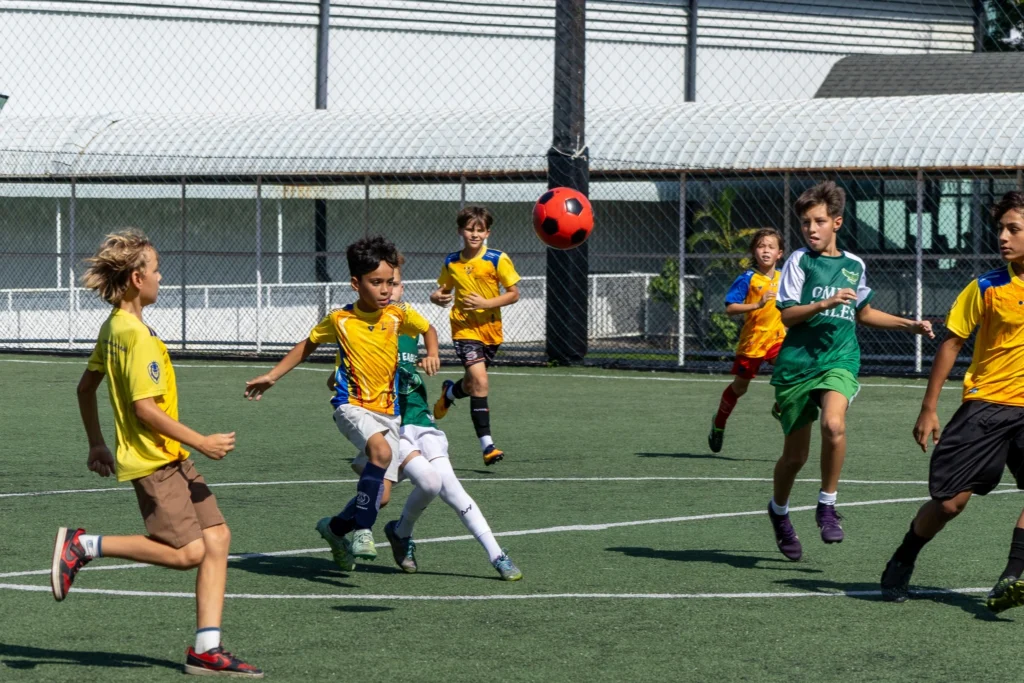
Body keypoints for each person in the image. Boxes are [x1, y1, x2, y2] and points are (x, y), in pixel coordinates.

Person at [55, 229, 262, 678]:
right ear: (136, 278)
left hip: (169, 458)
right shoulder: (137, 337)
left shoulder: (114, 326)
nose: (161, 276)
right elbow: (144, 409)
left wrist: (96, 442)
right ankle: (85, 545)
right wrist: (201, 441)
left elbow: (86, 387)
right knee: (189, 553)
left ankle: (207, 649)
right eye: (155, 268)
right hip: (155, 461)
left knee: (218, 539)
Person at [243, 236, 439, 568]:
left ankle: (334, 529)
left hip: (388, 413)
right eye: (375, 282)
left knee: (383, 496)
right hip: (351, 406)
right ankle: (363, 530)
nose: (385, 290)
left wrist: (432, 352)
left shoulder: (398, 314)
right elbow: (307, 345)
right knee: (381, 453)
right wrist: (273, 376)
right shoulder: (340, 320)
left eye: (389, 282)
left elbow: (428, 328)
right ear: (355, 283)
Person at [766, 181, 933, 561]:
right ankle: (778, 511)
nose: (811, 229)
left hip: (839, 359)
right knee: (794, 458)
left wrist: (908, 325)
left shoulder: (854, 265)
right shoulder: (798, 261)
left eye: (819, 221)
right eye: (805, 222)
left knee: (834, 425)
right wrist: (824, 302)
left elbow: (863, 312)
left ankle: (827, 504)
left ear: (836, 222)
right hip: (796, 366)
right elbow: (788, 316)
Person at [881, 191, 1024, 610]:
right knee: (950, 503)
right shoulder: (986, 287)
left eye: (1013, 229)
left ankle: (1010, 577)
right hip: (986, 406)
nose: (1003, 237)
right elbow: (951, 342)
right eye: (1000, 229)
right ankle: (904, 556)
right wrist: (929, 406)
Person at [430, 206, 520, 466]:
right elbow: (441, 291)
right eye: (470, 229)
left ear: (487, 232)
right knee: (481, 380)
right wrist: (436, 297)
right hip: (464, 329)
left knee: (472, 386)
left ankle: (449, 393)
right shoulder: (452, 261)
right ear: (460, 230)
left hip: (491, 331)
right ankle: (487, 446)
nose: (474, 234)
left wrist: (487, 302)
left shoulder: (497, 258)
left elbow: (514, 293)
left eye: (480, 230)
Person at [708, 228, 786, 453]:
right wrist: (757, 305)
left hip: (777, 339)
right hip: (752, 342)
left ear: (779, 253)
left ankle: (779, 408)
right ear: (754, 250)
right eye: (761, 246)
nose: (766, 251)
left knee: (789, 367)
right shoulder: (747, 278)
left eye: (771, 247)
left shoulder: (785, 278)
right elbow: (731, 308)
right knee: (739, 388)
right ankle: (719, 422)